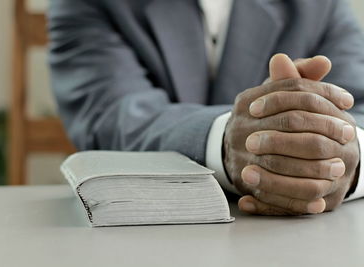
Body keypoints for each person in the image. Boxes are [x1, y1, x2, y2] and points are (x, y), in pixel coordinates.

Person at [48, 0, 364, 215]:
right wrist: (229, 140)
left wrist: (343, 156)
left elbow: (358, 108)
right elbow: (115, 118)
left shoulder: (321, 6)